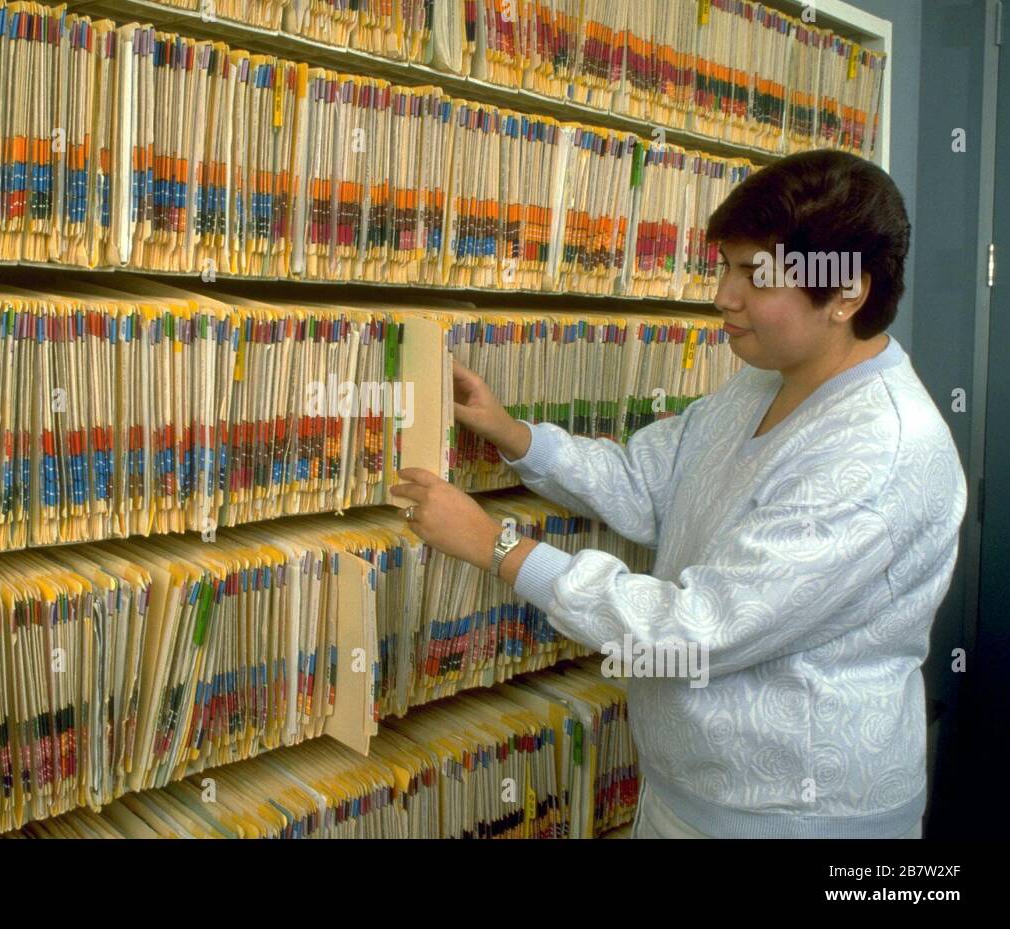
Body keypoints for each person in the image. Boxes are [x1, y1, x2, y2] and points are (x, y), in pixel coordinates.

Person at [391, 149, 966, 839]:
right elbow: (649, 483)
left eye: (755, 275)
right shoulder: (765, 376)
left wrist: (498, 545)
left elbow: (697, 632)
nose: (724, 295)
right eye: (725, 265)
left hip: (798, 818)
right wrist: (516, 436)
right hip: (688, 793)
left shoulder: (881, 452)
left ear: (847, 293)